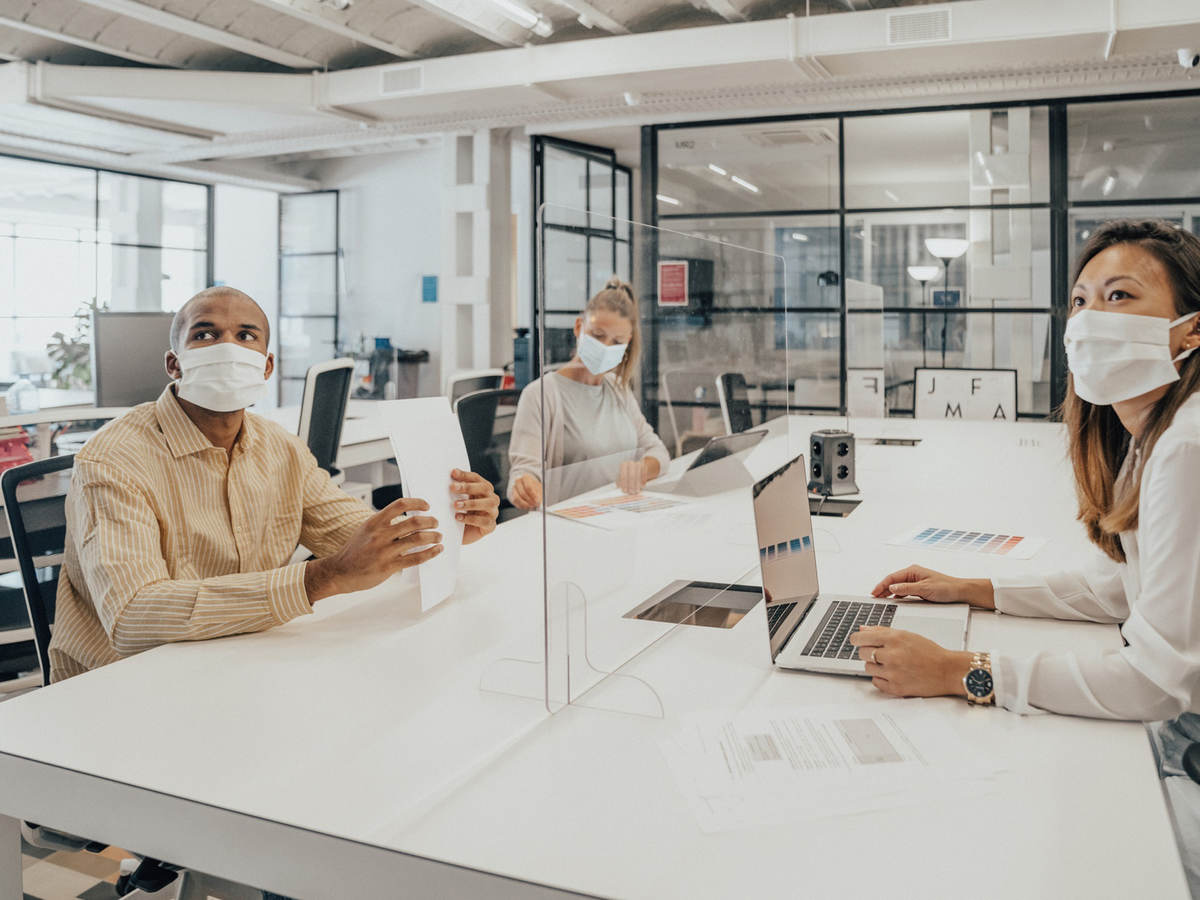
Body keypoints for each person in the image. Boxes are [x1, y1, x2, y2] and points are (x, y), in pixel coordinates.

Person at [847, 219, 1200, 892]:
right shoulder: (1148, 436)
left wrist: (963, 672)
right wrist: (975, 588)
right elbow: (1120, 591)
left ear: (1191, 330)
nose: (1091, 319)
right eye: (1081, 300)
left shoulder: (1186, 445)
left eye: (1121, 297)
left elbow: (1155, 683)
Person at [49, 286, 500, 683]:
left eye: (246, 335)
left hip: (239, 662)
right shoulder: (114, 460)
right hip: (120, 687)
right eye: (205, 334)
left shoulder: (280, 449)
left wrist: (441, 526)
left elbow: (356, 535)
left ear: (265, 367)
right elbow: (133, 617)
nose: (227, 346)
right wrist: (319, 579)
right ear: (175, 363)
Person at [508, 277, 670, 509]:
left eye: (617, 341)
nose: (605, 347)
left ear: (628, 343)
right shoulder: (541, 395)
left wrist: (643, 468)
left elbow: (658, 452)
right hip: (569, 523)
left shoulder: (618, 389)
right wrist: (524, 487)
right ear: (578, 327)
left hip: (620, 514)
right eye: (597, 335)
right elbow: (523, 473)